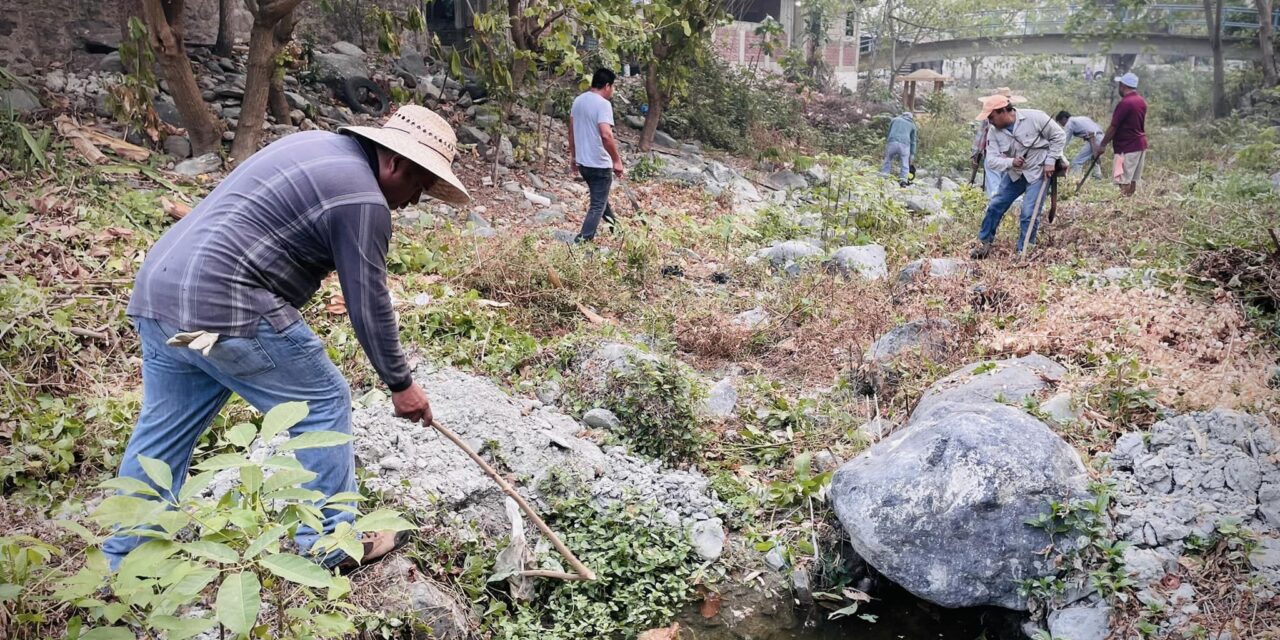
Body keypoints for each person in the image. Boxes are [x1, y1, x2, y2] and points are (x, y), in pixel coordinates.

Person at [103, 106, 470, 572]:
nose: (414, 201)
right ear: (395, 163)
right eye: (419, 186)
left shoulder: (311, 146)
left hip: (163, 307)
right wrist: (401, 384)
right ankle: (330, 543)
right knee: (323, 399)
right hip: (223, 309)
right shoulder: (362, 200)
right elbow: (368, 301)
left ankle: (125, 559)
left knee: (165, 429)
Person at [970, 95, 1066, 259]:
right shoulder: (993, 132)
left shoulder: (1035, 117)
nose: (990, 121)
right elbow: (991, 160)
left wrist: (1050, 161)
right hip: (1015, 173)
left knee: (1029, 212)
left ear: (1003, 112)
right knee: (995, 205)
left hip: (1039, 171)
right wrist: (1010, 162)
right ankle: (983, 244)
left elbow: (1059, 135)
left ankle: (1024, 251)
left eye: (991, 117)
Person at [568, 68, 625, 242]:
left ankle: (619, 234)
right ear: (607, 86)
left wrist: (574, 157)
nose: (613, 91)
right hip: (599, 163)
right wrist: (617, 160)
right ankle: (583, 241)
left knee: (601, 200)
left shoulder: (578, 101)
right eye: (613, 87)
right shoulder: (603, 104)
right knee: (598, 204)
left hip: (584, 163)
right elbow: (606, 135)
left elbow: (571, 131)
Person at [1095, 72, 1148, 197]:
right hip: (1140, 145)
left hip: (1127, 147)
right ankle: (1129, 205)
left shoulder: (1125, 103)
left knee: (1123, 180)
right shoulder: (1141, 101)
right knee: (1133, 179)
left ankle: (1123, 205)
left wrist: (1102, 145)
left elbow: (1114, 126)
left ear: (1123, 86)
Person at [971, 87, 1027, 197]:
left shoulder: (1018, 117)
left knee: (1002, 184)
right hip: (997, 155)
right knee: (998, 184)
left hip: (1011, 157)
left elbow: (981, 136)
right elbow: (983, 135)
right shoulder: (991, 116)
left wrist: (975, 154)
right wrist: (976, 154)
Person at [1054, 110, 1104, 177]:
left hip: (1095, 138)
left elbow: (1064, 140)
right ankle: (1097, 176)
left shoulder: (1070, 123)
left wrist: (1058, 152)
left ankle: (1076, 180)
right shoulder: (1081, 118)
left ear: (1064, 118)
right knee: (1093, 157)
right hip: (1101, 136)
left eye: (1060, 122)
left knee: (1076, 162)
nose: (1062, 125)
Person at [881, 111, 917, 187]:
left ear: (902, 115)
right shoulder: (912, 125)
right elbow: (913, 141)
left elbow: (889, 132)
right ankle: (903, 181)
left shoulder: (894, 120)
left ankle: (884, 177)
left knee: (887, 160)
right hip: (904, 145)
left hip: (892, 142)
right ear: (911, 118)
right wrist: (912, 154)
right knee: (905, 163)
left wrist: (887, 143)